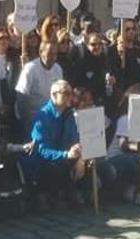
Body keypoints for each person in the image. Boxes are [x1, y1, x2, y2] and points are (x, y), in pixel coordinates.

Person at [25, 80, 85, 209]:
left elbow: (75, 140)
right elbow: (41, 150)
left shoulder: (69, 115)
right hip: (45, 162)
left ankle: (71, 193)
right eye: (66, 93)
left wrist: (80, 159)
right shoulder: (41, 116)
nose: (70, 97)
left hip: (65, 158)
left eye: (71, 93)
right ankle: (51, 196)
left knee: (91, 166)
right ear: (53, 95)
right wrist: (66, 155)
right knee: (54, 169)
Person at [15, 42, 64, 136]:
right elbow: (21, 96)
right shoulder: (30, 68)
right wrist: (27, 120)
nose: (52, 57)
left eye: (55, 54)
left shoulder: (58, 69)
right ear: (41, 52)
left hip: (51, 117)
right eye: (49, 53)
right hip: (32, 116)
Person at [67, 31, 113, 106]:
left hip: (101, 102)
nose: (97, 47)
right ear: (87, 45)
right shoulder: (81, 60)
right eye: (93, 44)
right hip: (83, 103)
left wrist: (110, 80)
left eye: (100, 44)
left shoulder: (105, 59)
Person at [106, 19, 140, 101]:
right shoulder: (111, 50)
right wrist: (119, 56)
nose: (131, 32)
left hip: (136, 96)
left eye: (133, 29)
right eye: (127, 29)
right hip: (118, 97)